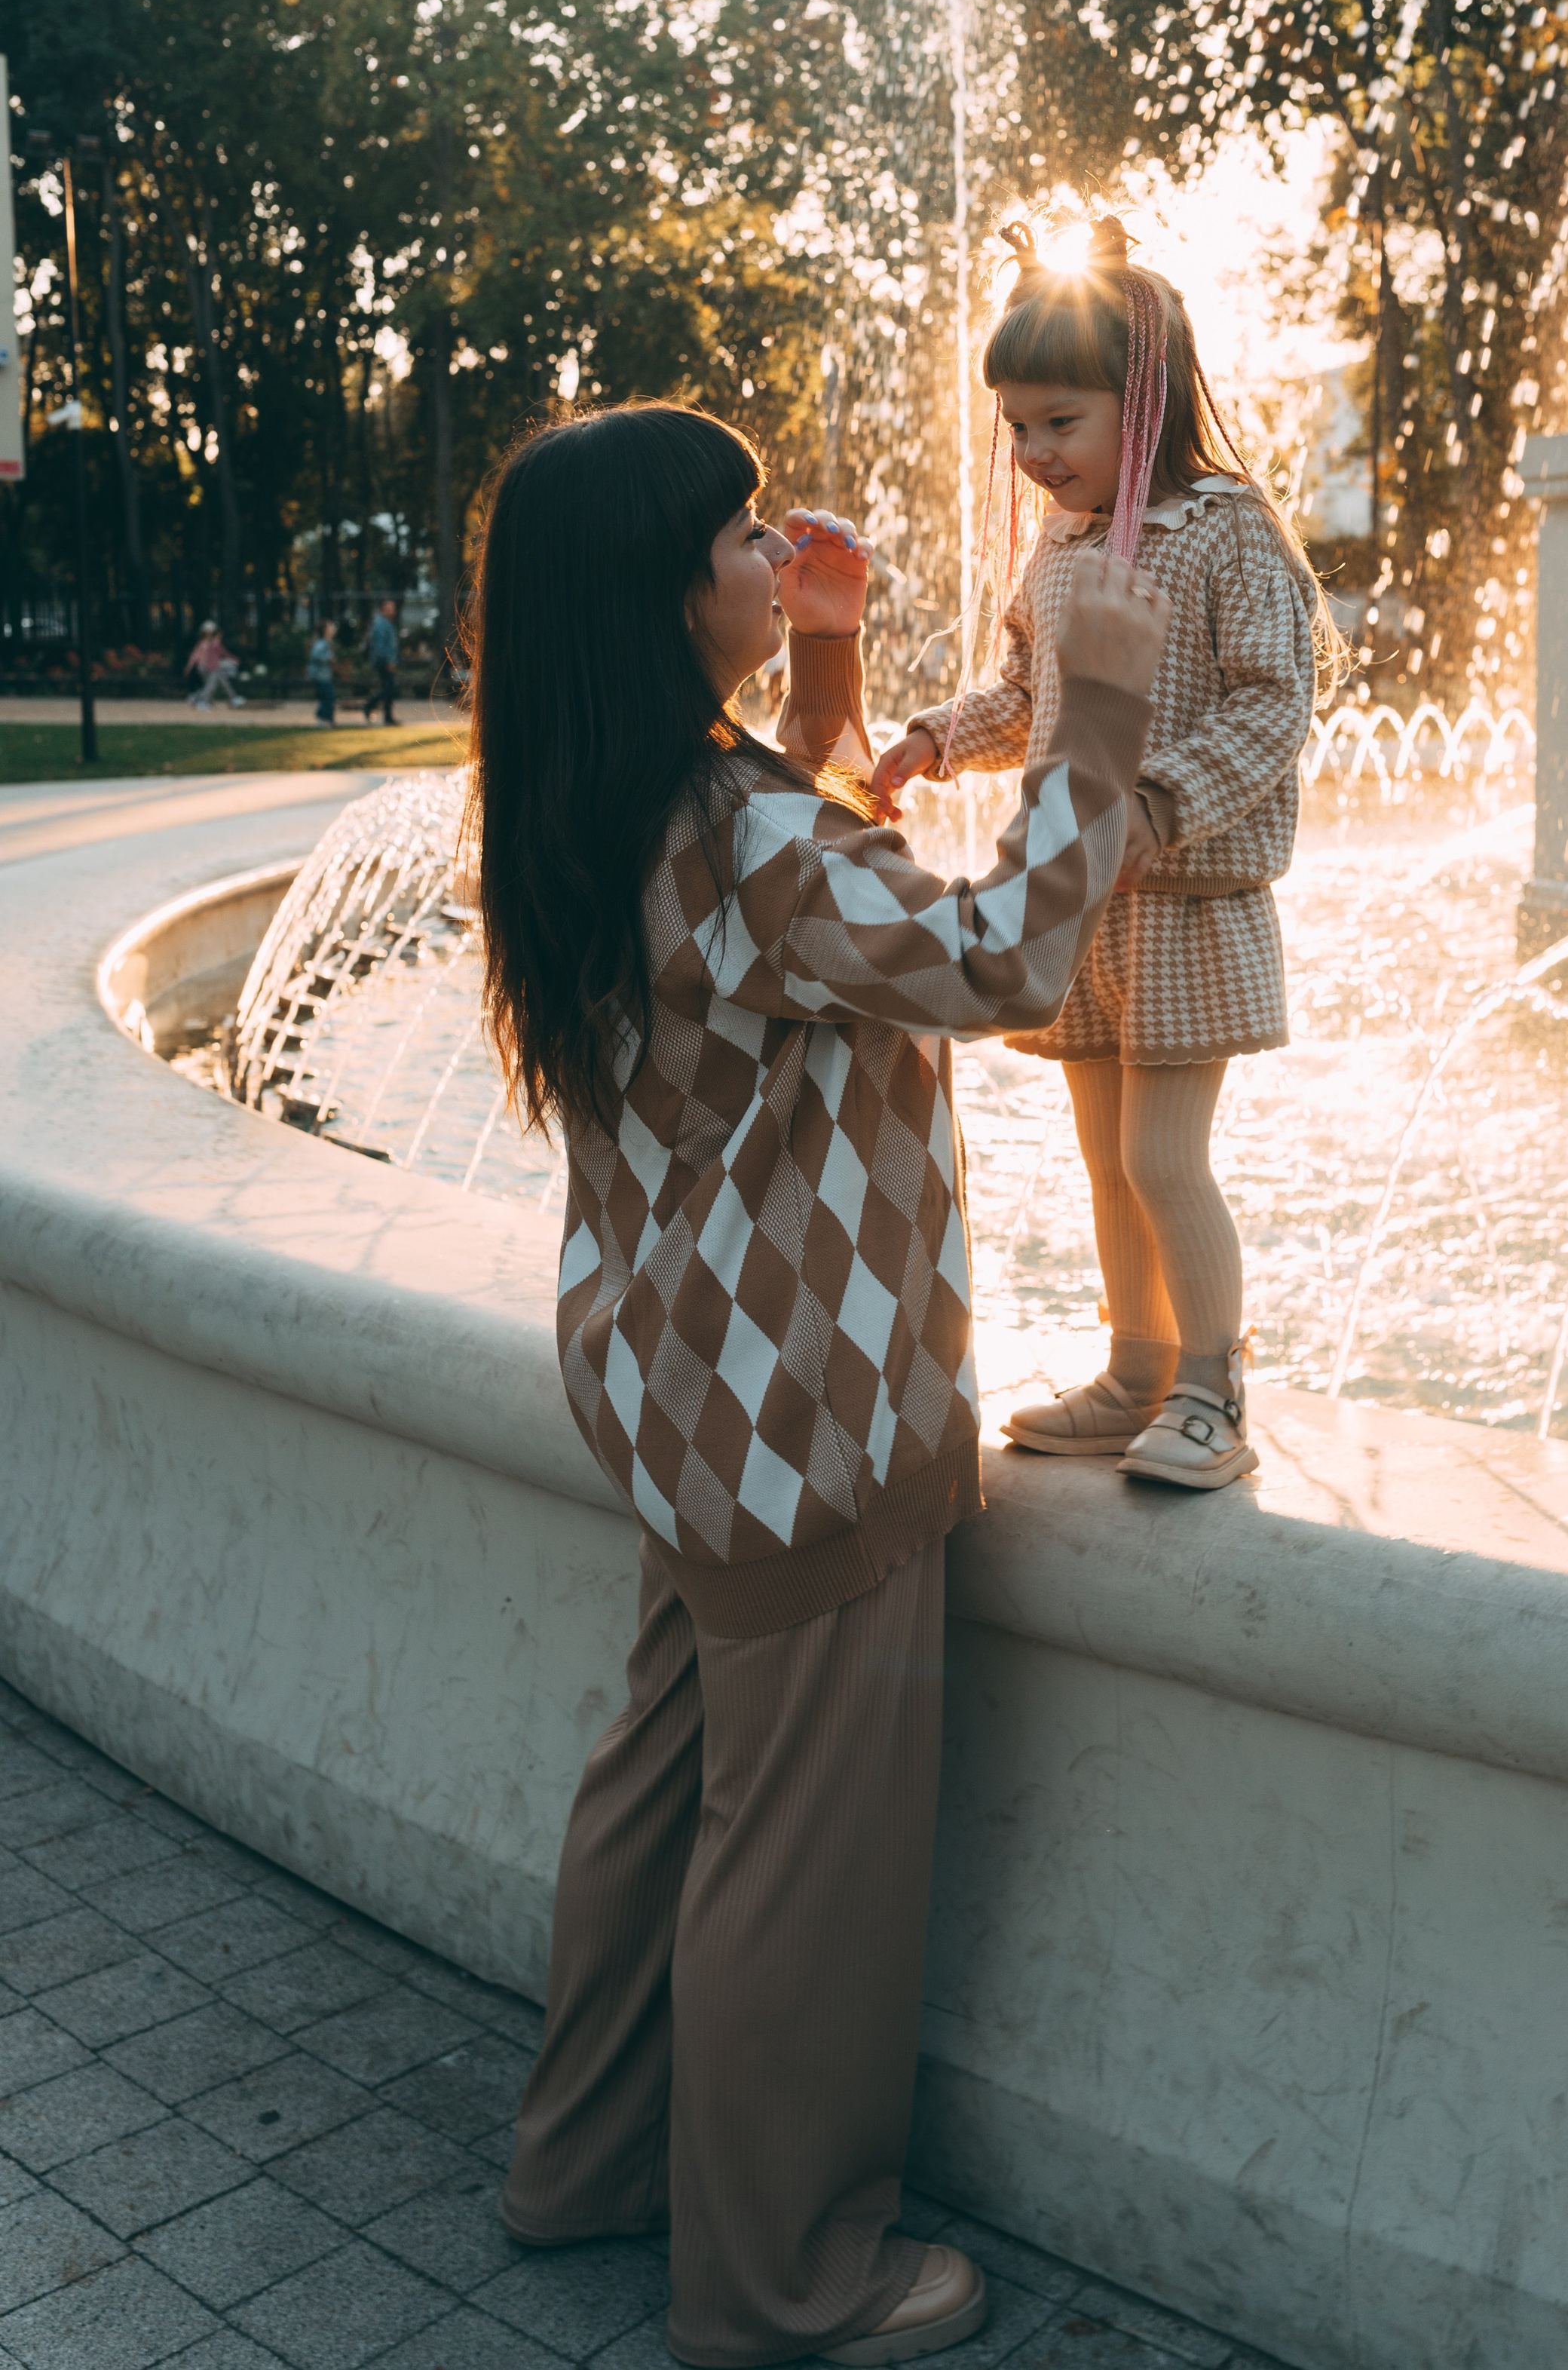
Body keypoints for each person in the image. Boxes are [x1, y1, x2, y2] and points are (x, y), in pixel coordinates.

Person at [467, 403, 1166, 2366]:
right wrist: (1094, 706)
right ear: (661, 592)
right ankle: (783, 2281)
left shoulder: (593, 800)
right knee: (802, 1860)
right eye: (747, 536)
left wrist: (835, 653)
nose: (781, 548)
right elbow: (1000, 955)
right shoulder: (738, 836)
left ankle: (583, 2160)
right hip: (807, 1417)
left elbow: (797, 899)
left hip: (677, 1389)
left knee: (661, 1788)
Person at [873, 218, 1339, 1492]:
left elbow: (1271, 704)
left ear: (1143, 401)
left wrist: (1160, 805)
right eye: (1017, 428)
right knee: (1100, 1154)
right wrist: (935, 737)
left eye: (1058, 424)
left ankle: (1212, 1390)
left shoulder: (1228, 528)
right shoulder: (1066, 544)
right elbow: (1027, 685)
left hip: (1186, 900)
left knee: (1160, 1157)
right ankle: (1137, 1370)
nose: (1030, 456)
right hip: (1081, 910)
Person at [185, 621, 244, 709]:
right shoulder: (209, 644)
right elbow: (222, 653)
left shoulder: (205, 644)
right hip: (210, 668)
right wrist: (189, 666)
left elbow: (222, 653)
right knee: (211, 686)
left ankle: (233, 698)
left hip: (212, 668)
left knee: (221, 683)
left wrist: (189, 666)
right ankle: (202, 702)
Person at [360, 598, 400, 723]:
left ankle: (384, 714)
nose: (392, 611)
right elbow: (380, 646)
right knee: (389, 688)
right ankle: (372, 707)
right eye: (389, 608)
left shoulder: (386, 623)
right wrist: (388, 661)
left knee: (388, 688)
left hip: (385, 661)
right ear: (383, 609)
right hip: (383, 662)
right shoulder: (381, 624)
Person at [307, 620, 338, 726]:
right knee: (328, 696)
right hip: (320, 676)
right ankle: (324, 718)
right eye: (331, 627)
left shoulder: (326, 643)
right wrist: (330, 660)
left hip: (324, 675)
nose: (333, 629)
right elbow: (316, 656)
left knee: (327, 697)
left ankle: (327, 719)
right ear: (325, 630)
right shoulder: (322, 644)